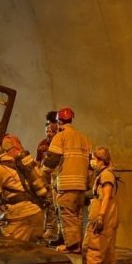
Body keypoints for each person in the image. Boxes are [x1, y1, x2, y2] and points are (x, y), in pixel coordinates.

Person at [42, 107, 92, 253]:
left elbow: (52, 159)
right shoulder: (84, 138)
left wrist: (43, 172)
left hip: (66, 183)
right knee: (78, 216)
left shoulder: (60, 136)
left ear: (58, 122)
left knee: (67, 215)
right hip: (81, 185)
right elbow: (90, 163)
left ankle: (72, 245)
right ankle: (79, 245)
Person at [0, 142, 44, 243]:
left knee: (8, 249)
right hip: (37, 213)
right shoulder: (14, 163)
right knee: (32, 253)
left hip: (22, 218)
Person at [83, 147, 119, 264]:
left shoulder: (105, 176)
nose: (92, 162)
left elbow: (106, 196)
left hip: (103, 218)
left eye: (93, 158)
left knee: (93, 251)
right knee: (108, 254)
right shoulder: (107, 174)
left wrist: (100, 216)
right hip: (110, 217)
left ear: (100, 160)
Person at [37, 111, 61, 243]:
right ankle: (46, 227)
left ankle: (53, 230)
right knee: (46, 203)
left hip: (57, 178)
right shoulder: (42, 144)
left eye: (51, 131)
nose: (48, 133)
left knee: (54, 205)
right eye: (47, 130)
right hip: (44, 178)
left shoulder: (59, 144)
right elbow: (38, 162)